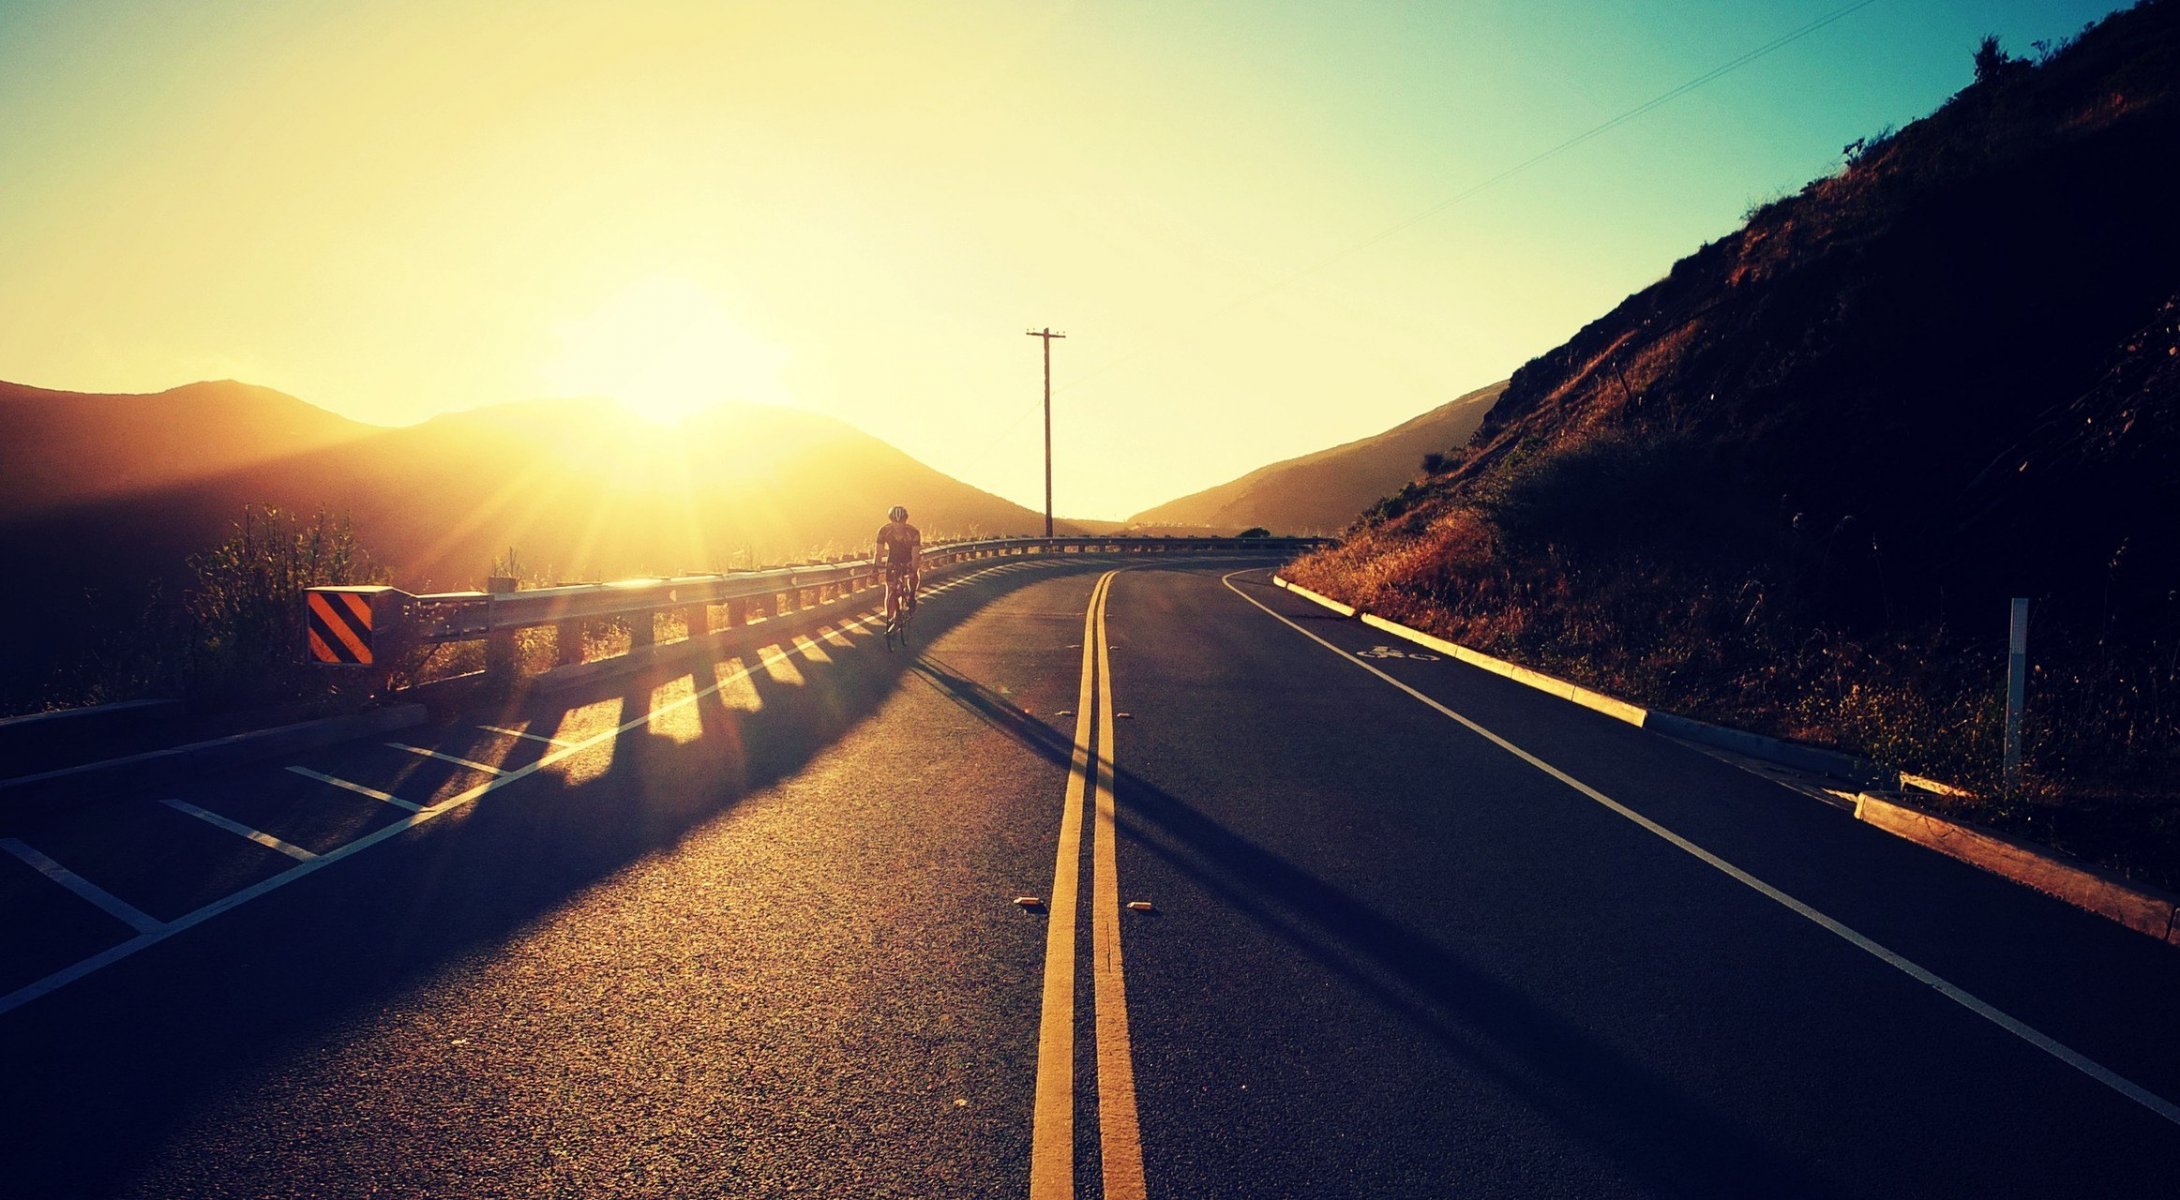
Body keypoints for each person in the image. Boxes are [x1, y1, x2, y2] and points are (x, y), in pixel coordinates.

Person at [875, 504, 922, 632]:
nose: (898, 525)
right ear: (891, 521)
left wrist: (913, 569)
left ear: (905, 521)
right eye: (895, 522)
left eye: (901, 522)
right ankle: (890, 618)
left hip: (908, 557)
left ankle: (912, 595)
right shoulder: (884, 531)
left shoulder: (913, 532)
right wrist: (876, 566)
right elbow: (879, 552)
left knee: (913, 573)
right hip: (893, 558)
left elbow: (915, 555)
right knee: (890, 589)